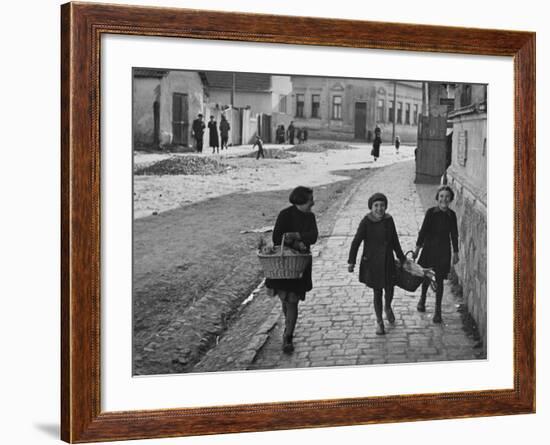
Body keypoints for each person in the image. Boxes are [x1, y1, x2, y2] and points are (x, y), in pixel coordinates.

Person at [266, 186, 318, 353]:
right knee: (285, 301)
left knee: (293, 302)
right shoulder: (285, 215)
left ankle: (288, 336)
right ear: (300, 201)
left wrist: (296, 235)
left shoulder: (310, 217)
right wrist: (295, 243)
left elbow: (313, 236)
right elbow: (276, 238)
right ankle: (288, 327)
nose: (313, 203)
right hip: (283, 265)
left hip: (299, 267)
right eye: (310, 200)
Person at [348, 193, 406, 335]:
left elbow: (395, 241)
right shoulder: (366, 222)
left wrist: (402, 258)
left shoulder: (389, 220)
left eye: (382, 205)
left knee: (390, 288)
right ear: (371, 207)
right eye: (376, 206)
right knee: (377, 291)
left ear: (385, 206)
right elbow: (356, 241)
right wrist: (351, 261)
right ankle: (379, 321)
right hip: (373, 262)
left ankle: (387, 307)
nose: (379, 209)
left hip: (387, 261)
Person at [412, 185, 459, 323]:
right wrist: (417, 249)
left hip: (444, 252)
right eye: (441, 196)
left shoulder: (452, 216)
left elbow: (454, 235)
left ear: (450, 199)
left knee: (439, 280)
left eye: (447, 197)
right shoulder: (431, 213)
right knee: (426, 276)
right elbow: (423, 231)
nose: (444, 199)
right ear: (437, 198)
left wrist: (456, 252)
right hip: (429, 249)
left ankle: (437, 311)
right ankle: (422, 298)